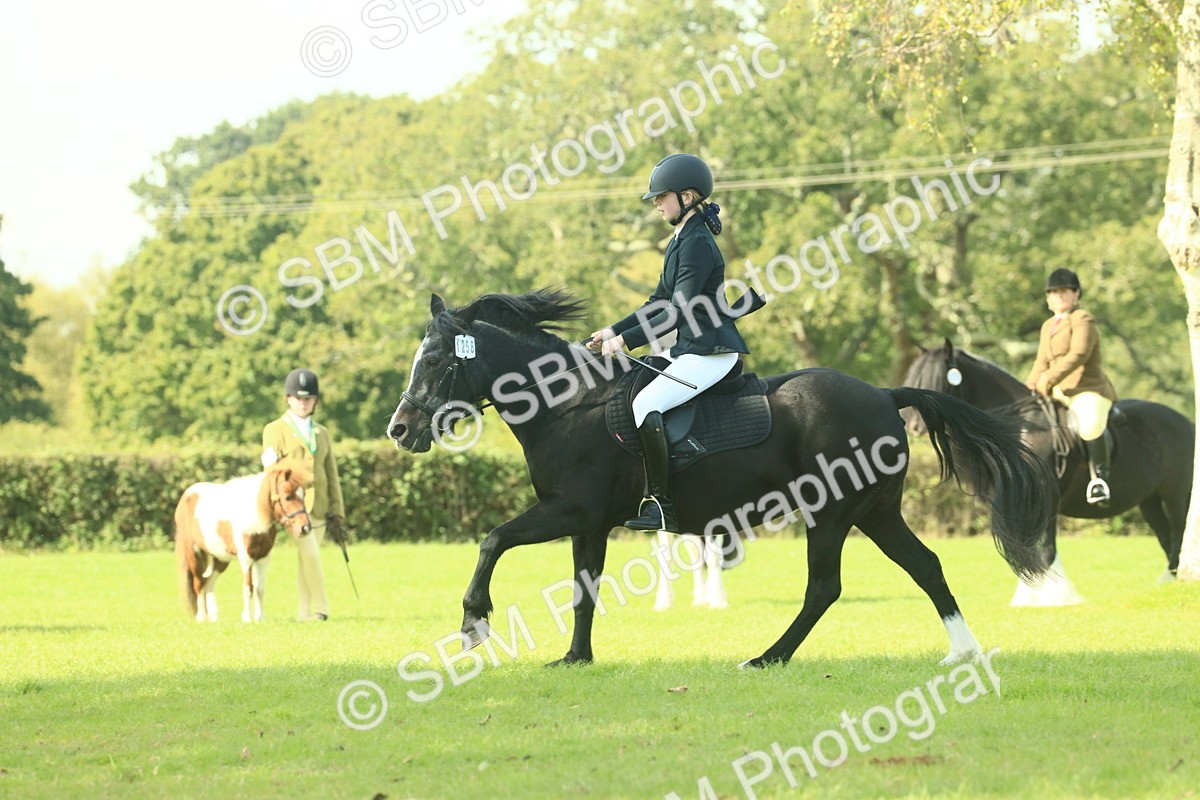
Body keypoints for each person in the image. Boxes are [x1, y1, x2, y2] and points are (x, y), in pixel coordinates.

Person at [587, 153, 756, 532]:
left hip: (711, 352)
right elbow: (658, 302)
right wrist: (613, 331)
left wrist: (627, 340)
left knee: (647, 403)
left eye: (662, 197)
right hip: (687, 348)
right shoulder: (681, 240)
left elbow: (677, 311)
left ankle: (662, 505)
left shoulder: (696, 243)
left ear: (688, 197)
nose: (657, 205)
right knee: (631, 387)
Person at [1025, 268, 1119, 505]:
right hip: (1056, 390)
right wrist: (1032, 382)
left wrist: (1048, 379)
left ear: (1076, 295)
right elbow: (1041, 360)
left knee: (1089, 427)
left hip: (1086, 390)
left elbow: (1078, 354)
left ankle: (1100, 480)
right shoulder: (1048, 326)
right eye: (1053, 292)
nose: (1058, 296)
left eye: (1063, 292)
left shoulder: (1083, 319)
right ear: (1048, 298)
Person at [261, 368, 347, 620]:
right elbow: (270, 468)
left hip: (319, 506)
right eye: (298, 398)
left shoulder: (322, 433)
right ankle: (322, 608)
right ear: (288, 399)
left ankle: (302, 613)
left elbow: (331, 474)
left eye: (308, 399)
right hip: (293, 508)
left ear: (315, 401)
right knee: (310, 554)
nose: (303, 403)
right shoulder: (275, 430)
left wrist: (337, 509)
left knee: (306, 561)